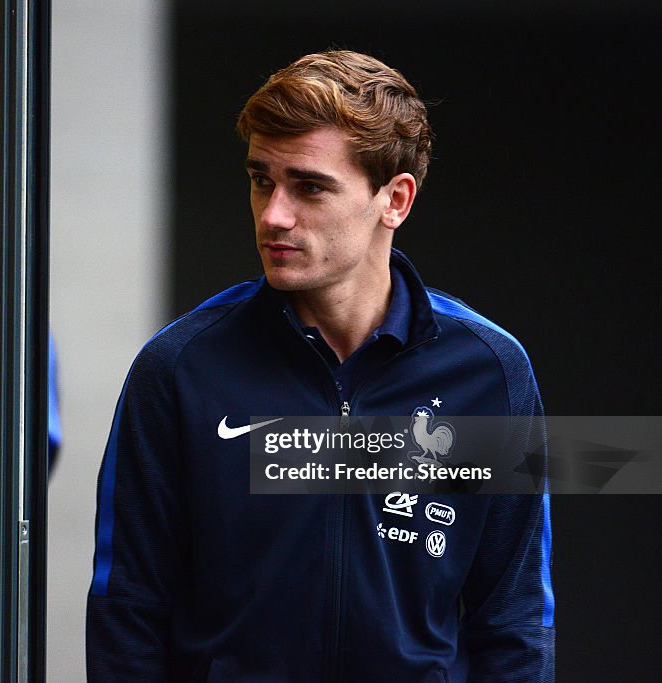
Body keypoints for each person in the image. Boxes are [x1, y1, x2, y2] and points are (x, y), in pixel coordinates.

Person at [86, 50, 553, 681]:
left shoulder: (488, 371)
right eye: (261, 180)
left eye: (309, 186)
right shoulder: (180, 368)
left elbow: (514, 617)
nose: (274, 214)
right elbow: (129, 608)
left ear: (395, 199)